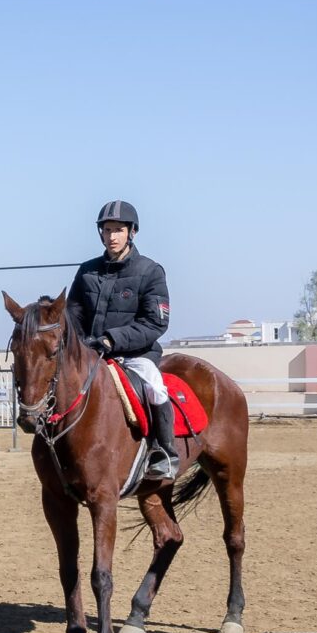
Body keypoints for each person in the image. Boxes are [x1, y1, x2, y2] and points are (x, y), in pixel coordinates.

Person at [68, 200, 178, 481]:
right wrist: (81, 344)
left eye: (118, 230)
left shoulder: (150, 271)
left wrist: (111, 340)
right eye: (107, 230)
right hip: (92, 355)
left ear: (132, 232)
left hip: (136, 355)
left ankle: (164, 452)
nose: (112, 236)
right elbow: (73, 317)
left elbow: (155, 323)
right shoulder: (87, 271)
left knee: (154, 386)